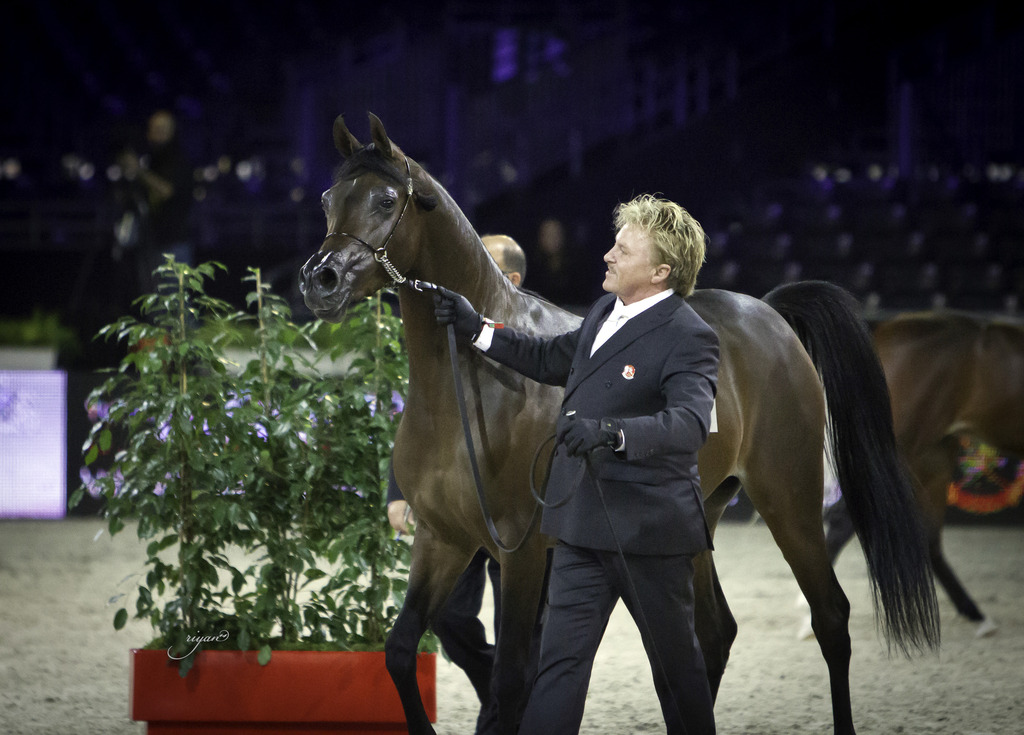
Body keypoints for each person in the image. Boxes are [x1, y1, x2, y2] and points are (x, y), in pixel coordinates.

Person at [433, 194, 719, 734]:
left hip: (651, 535)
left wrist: (610, 434)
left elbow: (689, 426)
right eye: (614, 243)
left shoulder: (690, 335)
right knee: (558, 671)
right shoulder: (605, 313)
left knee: (677, 674)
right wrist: (478, 329)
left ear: (660, 271)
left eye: (623, 249)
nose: (608, 255)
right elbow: (548, 357)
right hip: (582, 524)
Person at [386, 234, 528, 725]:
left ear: (508, 281)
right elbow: (420, 419)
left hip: (512, 516)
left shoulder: (530, 345)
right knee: (445, 617)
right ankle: (496, 687)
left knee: (517, 630)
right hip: (460, 512)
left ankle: (504, 706)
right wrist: (398, 490)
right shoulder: (443, 339)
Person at [114, 109, 194, 294]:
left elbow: (167, 190)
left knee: (176, 306)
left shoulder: (178, 158)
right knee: (154, 307)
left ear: (172, 131)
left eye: (163, 129)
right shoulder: (151, 159)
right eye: (154, 129)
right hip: (150, 241)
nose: (157, 134)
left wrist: (138, 170)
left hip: (174, 244)